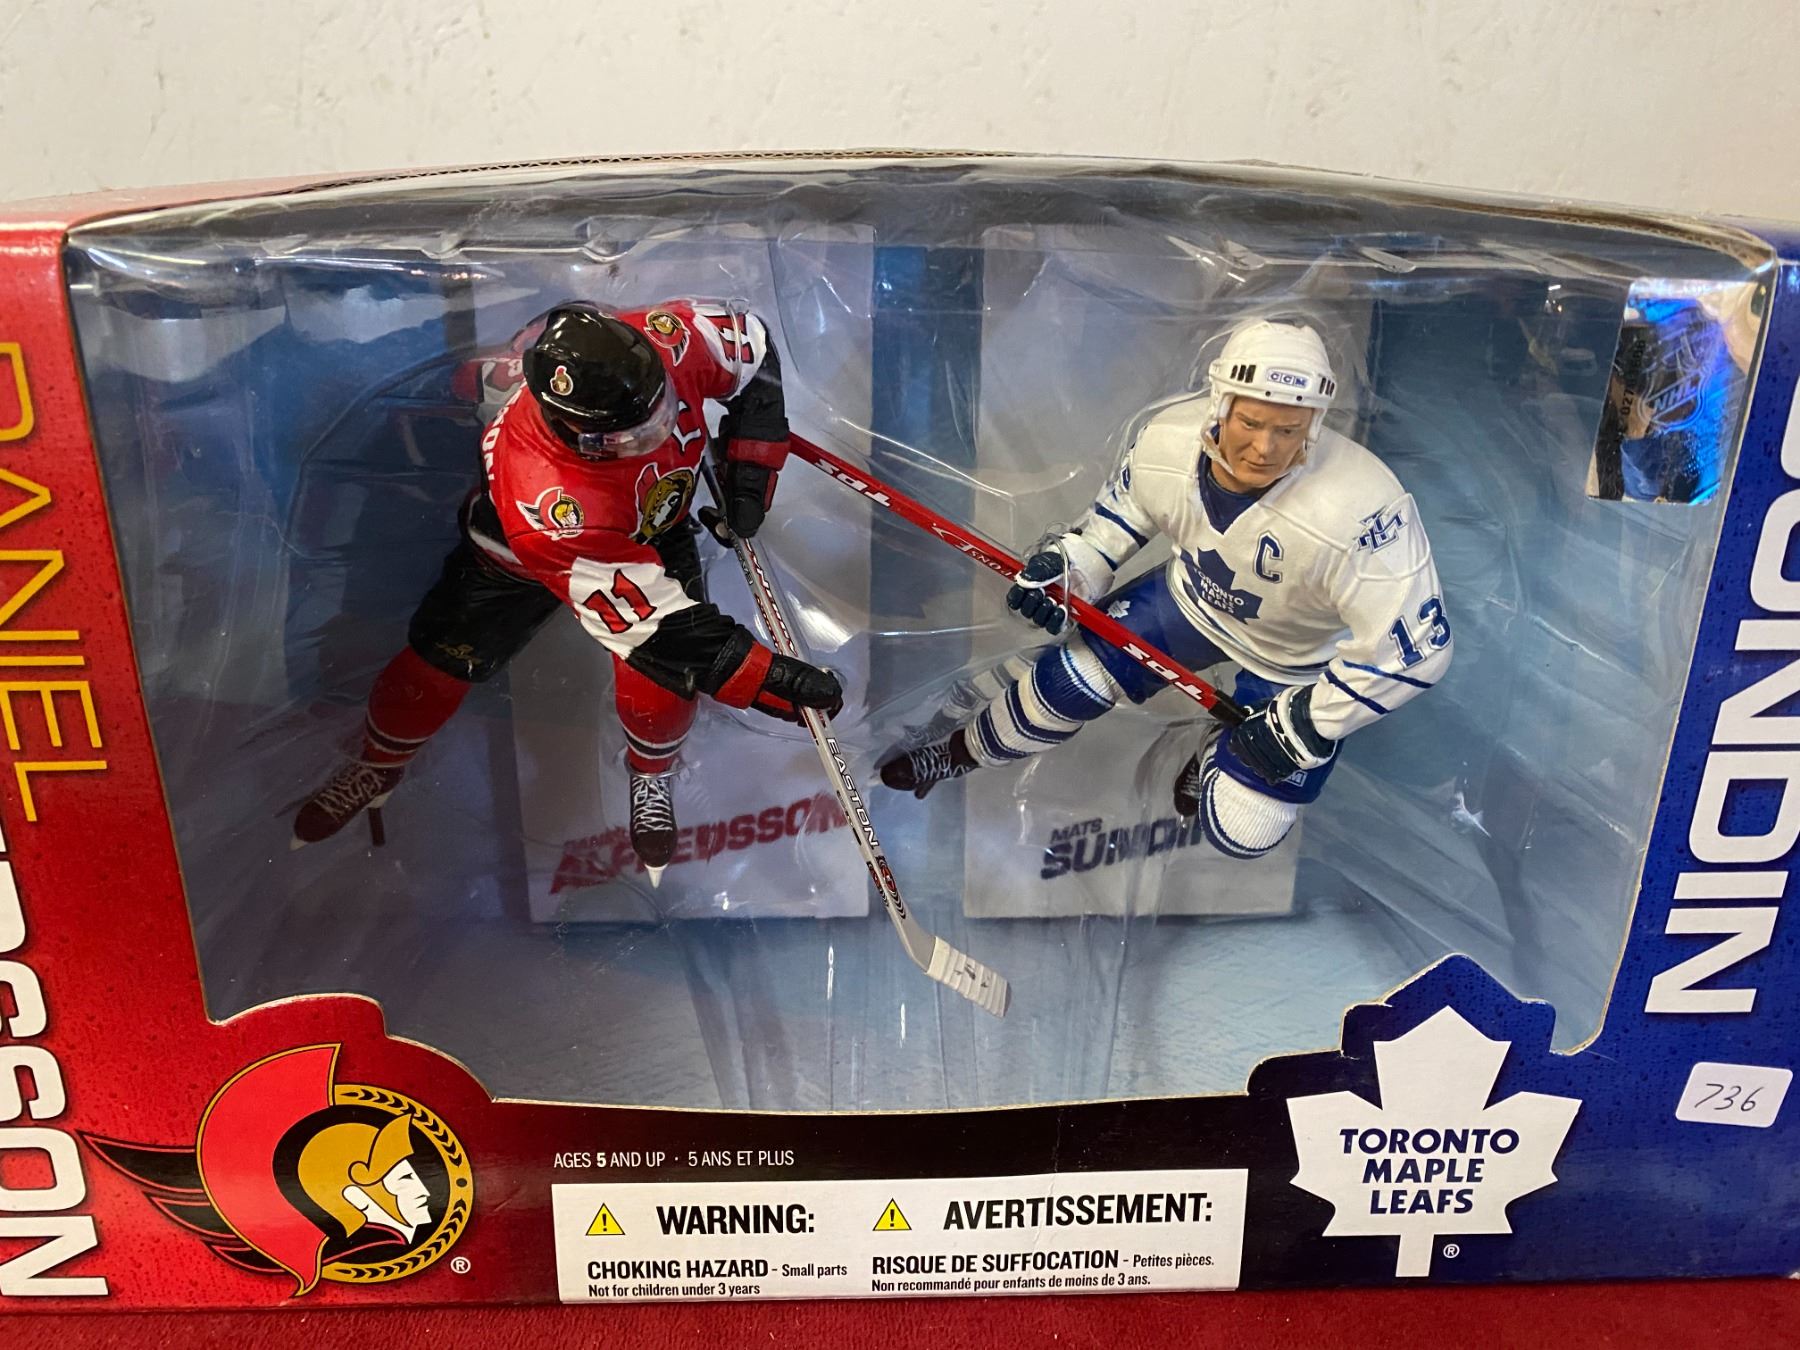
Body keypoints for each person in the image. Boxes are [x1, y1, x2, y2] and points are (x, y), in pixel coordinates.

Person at [293, 300, 843, 881]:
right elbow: (658, 629)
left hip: (650, 531)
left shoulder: (669, 336)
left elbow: (750, 347)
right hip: (521, 557)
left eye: (660, 406)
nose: (658, 433)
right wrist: (759, 675)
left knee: (662, 690)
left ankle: (651, 771)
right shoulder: (546, 494)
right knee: (437, 662)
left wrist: (750, 464)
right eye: (628, 433)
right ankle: (379, 761)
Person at [878, 318, 1452, 860]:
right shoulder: (1169, 443)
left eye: (1288, 430)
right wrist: (1067, 574)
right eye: (1251, 424)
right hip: (1189, 603)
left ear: (1315, 424)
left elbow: (1417, 650)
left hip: (1295, 654)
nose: (1265, 449)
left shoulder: (1361, 506)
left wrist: (1311, 721)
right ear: (1220, 406)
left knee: (1243, 831)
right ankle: (961, 751)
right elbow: (1111, 527)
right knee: (1062, 685)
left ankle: (1219, 749)